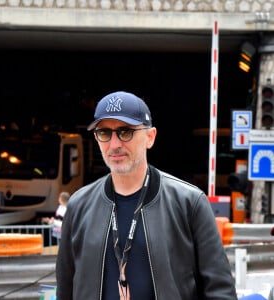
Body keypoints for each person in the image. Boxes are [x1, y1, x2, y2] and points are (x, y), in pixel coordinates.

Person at [56, 91, 237, 300]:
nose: (114, 144)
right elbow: (65, 288)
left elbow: (220, 290)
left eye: (125, 132)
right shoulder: (79, 206)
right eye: (104, 133)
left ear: (150, 137)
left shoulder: (189, 203)